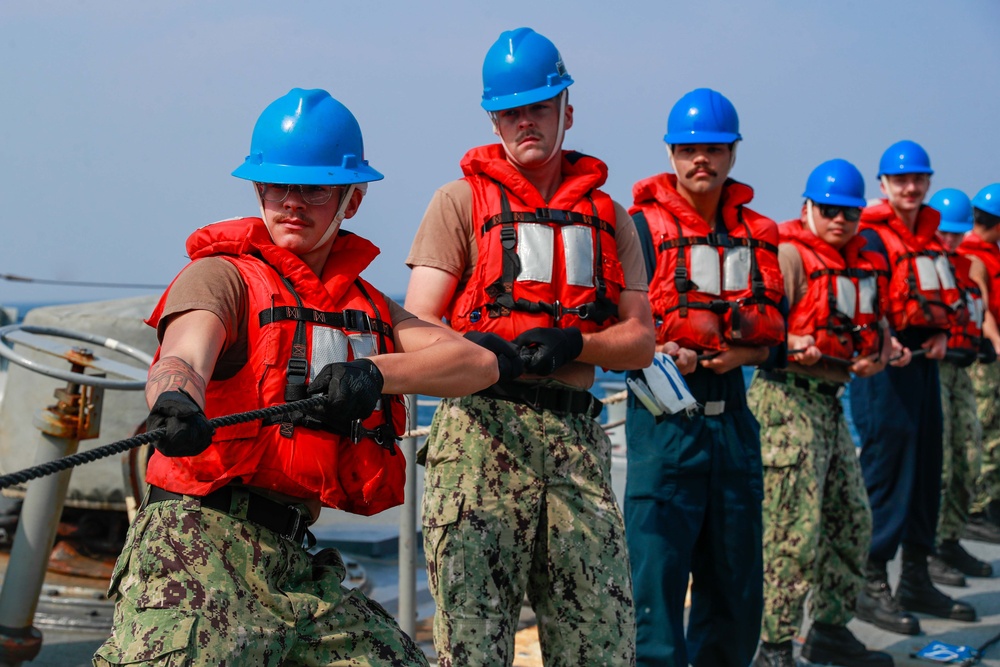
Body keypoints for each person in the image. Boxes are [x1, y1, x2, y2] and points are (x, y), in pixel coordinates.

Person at [94, 88, 501, 667]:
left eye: (312, 188)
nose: (291, 202)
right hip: (197, 543)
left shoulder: (367, 307)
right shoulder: (220, 277)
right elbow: (184, 355)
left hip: (293, 561)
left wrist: (371, 373)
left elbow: (475, 364)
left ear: (350, 201)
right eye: (276, 187)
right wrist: (176, 400)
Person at [403, 27, 654, 666]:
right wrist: (485, 349)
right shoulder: (457, 203)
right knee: (473, 640)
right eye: (510, 112)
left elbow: (642, 341)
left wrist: (579, 340)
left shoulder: (611, 218)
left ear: (568, 109)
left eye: (539, 108)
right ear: (493, 117)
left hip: (575, 440)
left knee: (600, 639)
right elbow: (418, 328)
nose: (525, 123)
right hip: (479, 436)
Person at [624, 88, 785, 667]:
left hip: (734, 422)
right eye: (690, 148)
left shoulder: (759, 231)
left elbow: (779, 332)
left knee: (737, 580)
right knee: (654, 578)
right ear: (671, 153)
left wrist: (742, 357)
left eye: (714, 148)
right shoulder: (638, 228)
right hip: (663, 423)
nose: (702, 159)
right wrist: (661, 349)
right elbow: (617, 327)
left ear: (732, 155)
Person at [748, 159, 896, 667]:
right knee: (792, 531)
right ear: (807, 208)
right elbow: (756, 331)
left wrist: (878, 355)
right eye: (829, 210)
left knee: (853, 520)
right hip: (786, 402)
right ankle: (774, 645)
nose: (840, 220)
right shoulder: (789, 256)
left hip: (832, 405)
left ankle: (831, 627)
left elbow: (877, 327)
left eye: (850, 213)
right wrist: (790, 343)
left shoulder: (861, 264)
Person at [851, 140, 976, 637]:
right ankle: (872, 579)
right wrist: (886, 340)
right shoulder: (872, 238)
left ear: (928, 184)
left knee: (928, 467)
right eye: (900, 180)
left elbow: (942, 297)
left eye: (918, 179)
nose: (910, 187)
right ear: (883, 185)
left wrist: (944, 332)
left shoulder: (930, 237)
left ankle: (917, 576)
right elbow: (865, 295)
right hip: (886, 369)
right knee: (888, 470)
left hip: (925, 364)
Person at [926, 188, 996, 584]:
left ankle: (952, 537)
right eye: (945, 233)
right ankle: (932, 546)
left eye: (957, 233)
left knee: (969, 454)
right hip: (935, 373)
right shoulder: (924, 267)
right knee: (942, 462)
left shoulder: (968, 269)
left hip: (963, 371)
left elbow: (980, 312)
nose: (950, 240)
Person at [958, 183, 1000, 544]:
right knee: (984, 429)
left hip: (992, 353)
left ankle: (992, 501)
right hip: (984, 356)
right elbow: (981, 307)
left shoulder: (990, 251)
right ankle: (977, 508)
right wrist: (997, 342)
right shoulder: (975, 256)